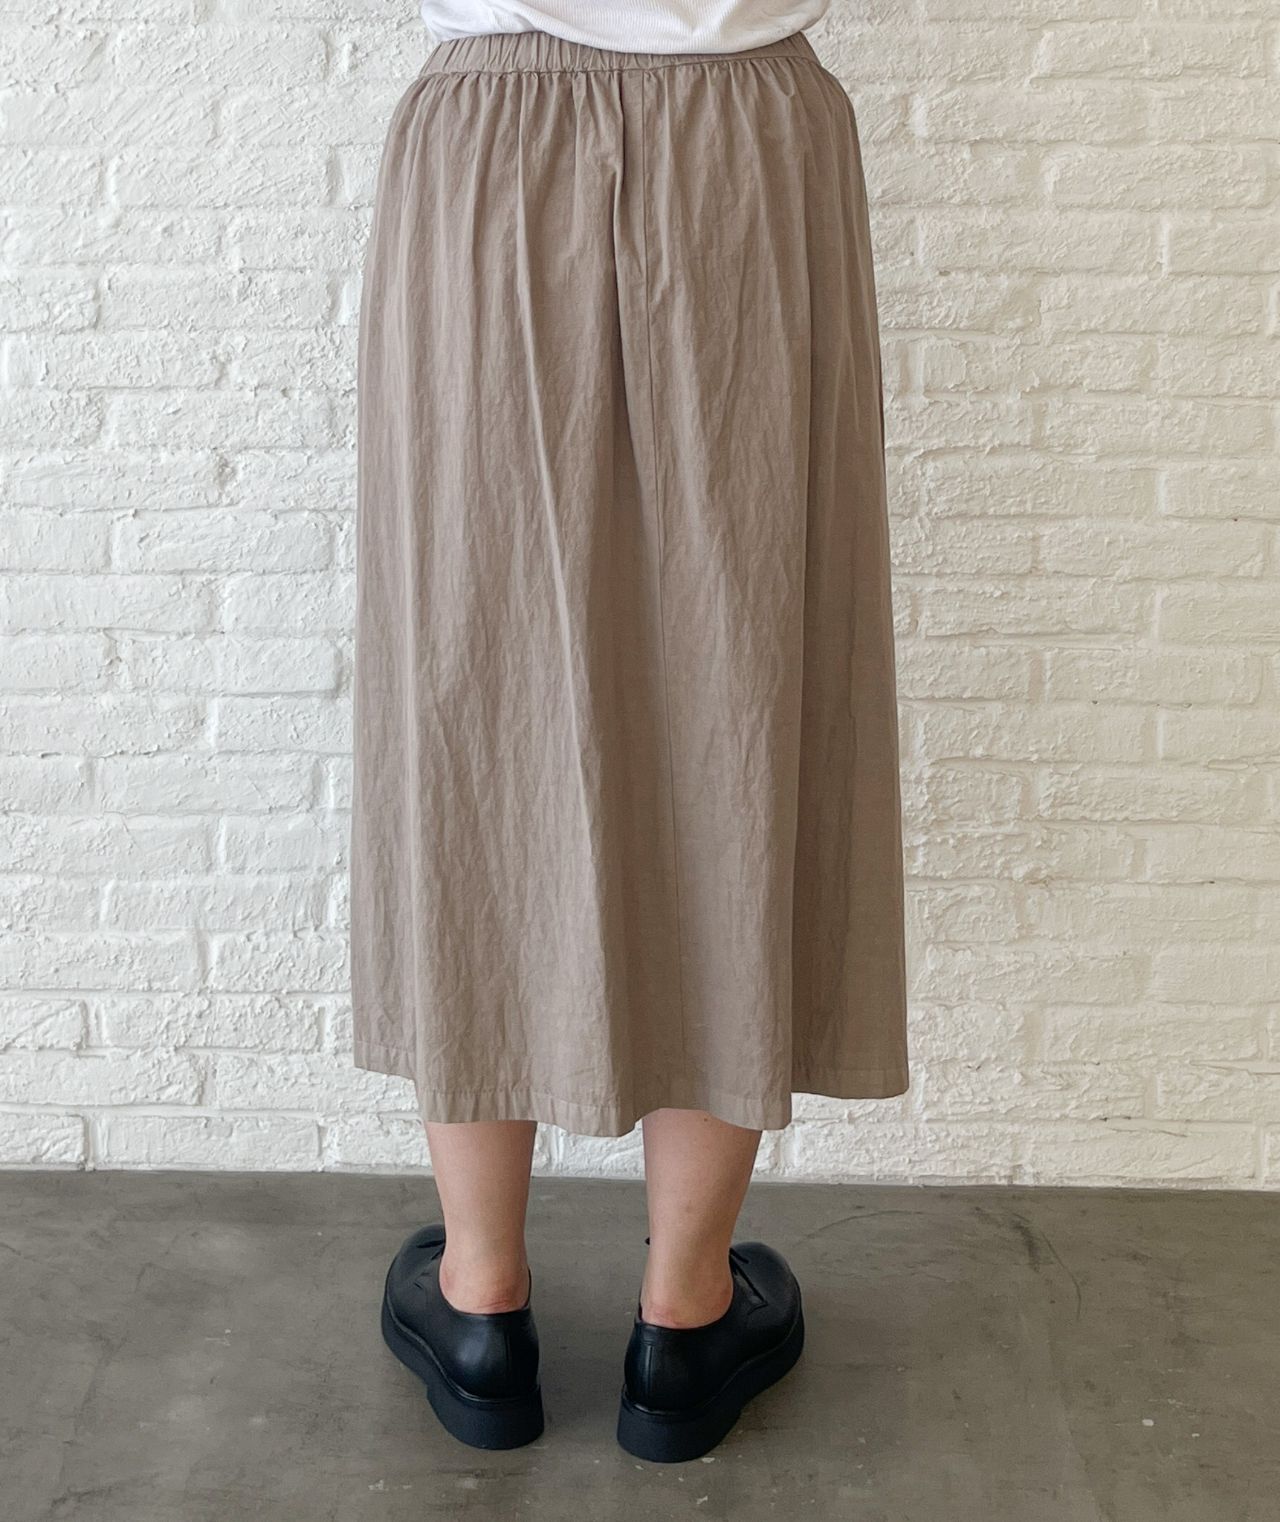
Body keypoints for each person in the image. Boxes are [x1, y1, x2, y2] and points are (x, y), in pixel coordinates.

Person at [349, 0, 909, 1464]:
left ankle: (481, 1303)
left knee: (473, 682)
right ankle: (685, 1313)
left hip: (489, 142)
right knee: (746, 671)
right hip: (744, 136)